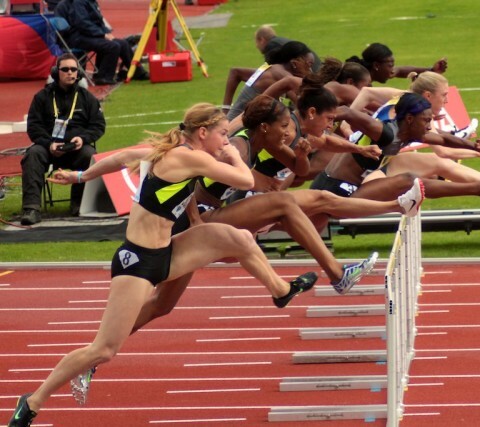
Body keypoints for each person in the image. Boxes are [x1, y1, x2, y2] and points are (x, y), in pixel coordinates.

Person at [7, 103, 319, 427]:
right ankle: (32, 401)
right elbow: (243, 180)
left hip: (168, 250)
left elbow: (119, 158)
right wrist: (233, 156)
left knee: (239, 239)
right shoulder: (189, 156)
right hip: (139, 262)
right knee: (103, 349)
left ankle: (281, 290)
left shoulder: (164, 151)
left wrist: (80, 176)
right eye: (223, 135)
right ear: (203, 133)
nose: (227, 141)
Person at [349, 71, 480, 198]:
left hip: (381, 161)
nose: (447, 100)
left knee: (438, 164)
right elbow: (445, 150)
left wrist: (347, 130)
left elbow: (366, 93)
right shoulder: (417, 116)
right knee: (436, 166)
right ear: (428, 96)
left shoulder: (403, 95)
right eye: (444, 95)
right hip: (366, 173)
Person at [20, 53, 105, 225]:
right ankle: (31, 208)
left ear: (78, 73)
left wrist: (83, 138)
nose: (70, 73)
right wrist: (48, 144)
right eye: (65, 69)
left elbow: (98, 126)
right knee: (33, 154)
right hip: (48, 147)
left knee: (90, 155)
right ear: (55, 72)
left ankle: (79, 204)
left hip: (77, 149)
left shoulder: (87, 98)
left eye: (73, 69)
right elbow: (34, 127)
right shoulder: (42, 97)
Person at [61, 0, 149, 85]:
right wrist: (102, 34)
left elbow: (99, 22)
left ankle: (137, 72)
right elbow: (82, 24)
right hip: (79, 37)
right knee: (112, 46)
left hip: (89, 34)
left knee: (123, 43)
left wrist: (106, 33)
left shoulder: (91, 2)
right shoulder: (79, 2)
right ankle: (103, 77)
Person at [223, 41, 315, 120]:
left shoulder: (273, 69)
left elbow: (235, 72)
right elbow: (302, 103)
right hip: (237, 128)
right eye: (309, 65)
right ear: (295, 63)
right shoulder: (283, 75)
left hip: (236, 122)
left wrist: (226, 108)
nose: (310, 71)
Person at [346, 42, 447, 84]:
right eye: (390, 66)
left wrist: (432, 70)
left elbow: (400, 70)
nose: (392, 70)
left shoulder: (363, 75)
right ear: (376, 65)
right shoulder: (361, 84)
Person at [254, 24, 321, 72]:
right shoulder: (281, 42)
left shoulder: (272, 45)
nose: (256, 46)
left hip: (313, 75)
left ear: (261, 40)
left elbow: (270, 70)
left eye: (256, 42)